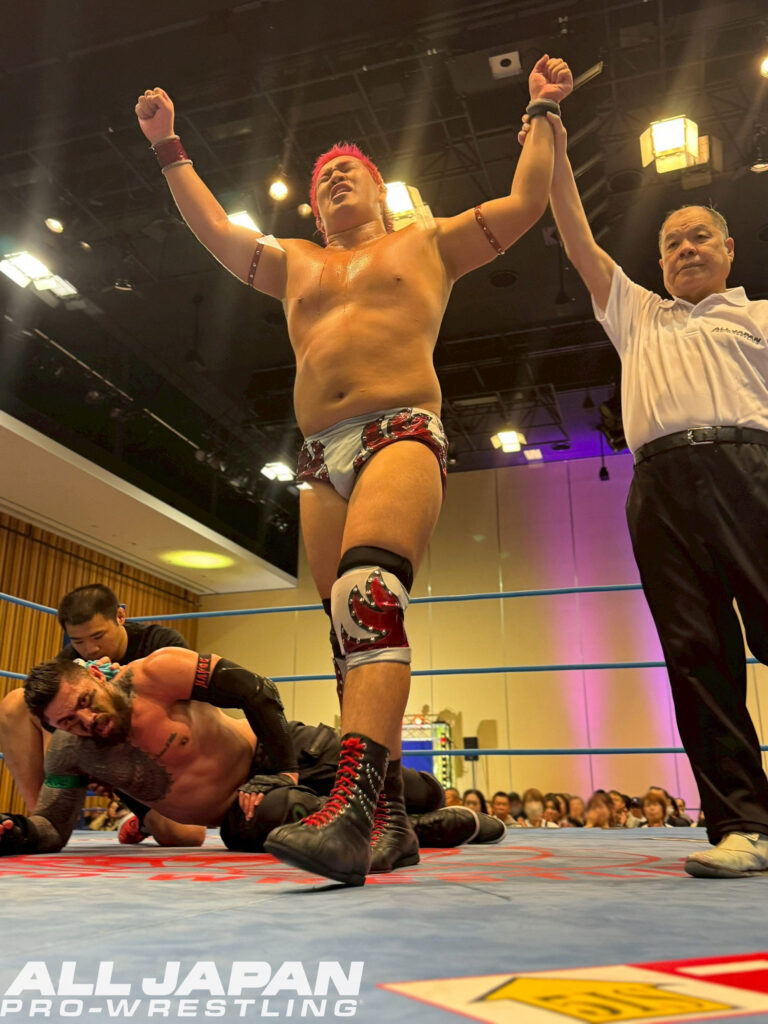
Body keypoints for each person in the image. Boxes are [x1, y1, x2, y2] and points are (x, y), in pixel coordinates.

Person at [134, 56, 572, 886]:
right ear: (312, 205)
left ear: (380, 190)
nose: (336, 177)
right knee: (346, 635)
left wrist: (543, 111)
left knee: (367, 596)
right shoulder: (296, 260)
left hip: (399, 428)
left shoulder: (427, 242)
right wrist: (169, 147)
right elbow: (216, 232)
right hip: (317, 456)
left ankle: (351, 813)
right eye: (323, 175)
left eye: (351, 170)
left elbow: (524, 203)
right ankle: (391, 821)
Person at [520, 103, 768, 879]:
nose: (686, 249)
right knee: (696, 655)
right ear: (659, 264)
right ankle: (745, 825)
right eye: (672, 243)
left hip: (753, 473)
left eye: (699, 237)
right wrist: (551, 129)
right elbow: (575, 234)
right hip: (658, 487)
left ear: (728, 249)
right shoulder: (638, 315)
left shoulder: (761, 317)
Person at [0, 651, 502, 860]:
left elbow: (256, 690)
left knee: (424, 789)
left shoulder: (155, 674)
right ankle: (417, 830)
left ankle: (417, 813)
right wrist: (16, 832)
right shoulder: (71, 752)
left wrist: (279, 771)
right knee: (278, 817)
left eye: (85, 703)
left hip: (280, 751)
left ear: (95, 676)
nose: (85, 721)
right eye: (68, 721)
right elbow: (53, 826)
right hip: (241, 809)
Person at [0, 583, 188, 810]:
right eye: (78, 641)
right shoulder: (70, 666)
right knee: (15, 703)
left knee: (178, 830)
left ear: (120, 616)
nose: (90, 649)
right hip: (99, 751)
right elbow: (57, 730)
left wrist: (122, 683)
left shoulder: (161, 644)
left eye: (98, 636)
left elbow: (187, 711)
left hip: (157, 757)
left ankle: (137, 815)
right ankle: (42, 816)